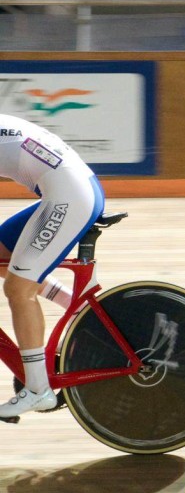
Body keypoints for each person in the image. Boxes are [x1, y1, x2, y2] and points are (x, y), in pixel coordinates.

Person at [0, 115, 105, 418]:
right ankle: (73, 305)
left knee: (18, 289)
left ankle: (38, 390)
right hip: (70, 189)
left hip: (69, 196)